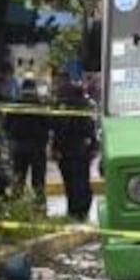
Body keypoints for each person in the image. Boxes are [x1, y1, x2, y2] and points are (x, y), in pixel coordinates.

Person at [52, 81, 98, 221]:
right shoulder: (86, 106)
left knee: (71, 182)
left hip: (68, 150)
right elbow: (91, 130)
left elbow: (59, 131)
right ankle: (81, 209)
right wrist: (93, 147)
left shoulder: (64, 108)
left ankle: (74, 210)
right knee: (81, 181)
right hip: (81, 150)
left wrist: (56, 148)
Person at [5, 79, 50, 207]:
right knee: (38, 178)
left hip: (18, 145)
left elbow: (6, 125)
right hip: (37, 146)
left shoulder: (15, 104)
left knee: (18, 176)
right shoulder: (41, 104)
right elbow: (49, 123)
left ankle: (15, 205)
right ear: (34, 89)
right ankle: (40, 203)